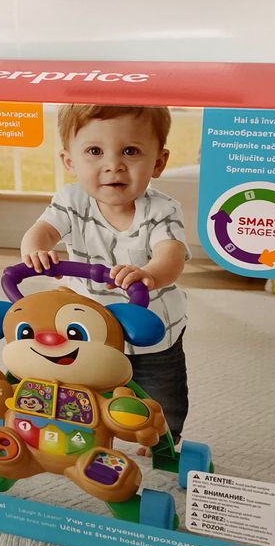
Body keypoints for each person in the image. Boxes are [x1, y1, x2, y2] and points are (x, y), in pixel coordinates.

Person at [20, 105, 191, 446]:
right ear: (69, 161)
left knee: (161, 392)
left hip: (149, 329)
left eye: (131, 151)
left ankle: (165, 438)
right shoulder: (70, 200)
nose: (114, 165)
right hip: (85, 325)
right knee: (78, 385)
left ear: (158, 162)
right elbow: (42, 231)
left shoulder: (162, 210)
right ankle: (81, 432)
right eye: (95, 151)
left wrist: (149, 274)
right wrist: (36, 249)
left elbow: (171, 255)